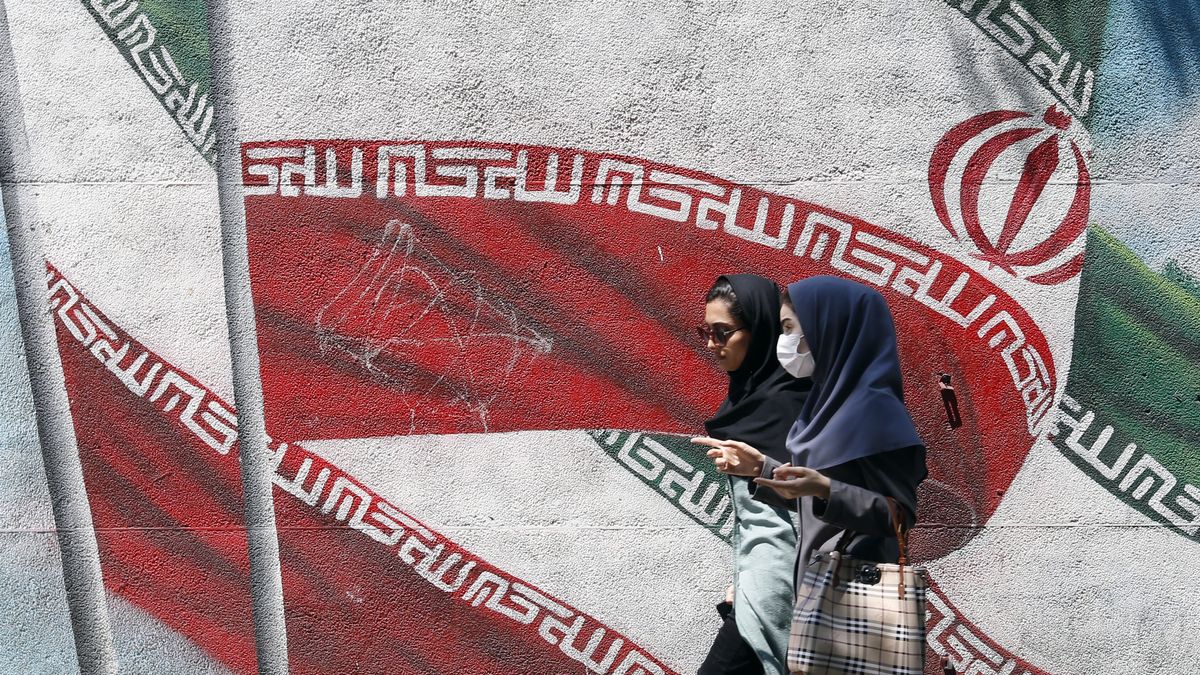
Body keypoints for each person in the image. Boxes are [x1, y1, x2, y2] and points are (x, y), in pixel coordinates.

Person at [697, 275, 927, 623]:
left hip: (854, 603)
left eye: (790, 329)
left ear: (829, 330)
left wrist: (824, 488)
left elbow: (898, 516)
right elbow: (813, 505)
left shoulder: (874, 414)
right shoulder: (821, 408)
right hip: (814, 593)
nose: (784, 342)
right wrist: (763, 468)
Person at [691, 275, 811, 675]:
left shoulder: (795, 408)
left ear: (758, 331)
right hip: (757, 588)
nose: (712, 344)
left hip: (788, 592)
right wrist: (745, 578)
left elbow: (827, 500)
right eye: (706, 331)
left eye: (723, 333)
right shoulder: (744, 402)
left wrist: (761, 468)